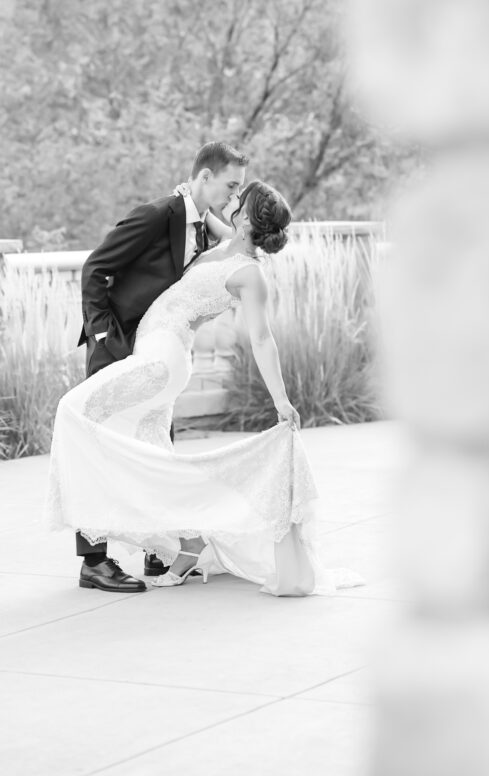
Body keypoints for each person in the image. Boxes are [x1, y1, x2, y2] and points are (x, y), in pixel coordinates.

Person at [47, 181, 360, 596]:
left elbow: (263, 339)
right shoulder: (230, 242)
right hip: (160, 355)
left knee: (75, 410)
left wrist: (281, 400)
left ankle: (100, 547)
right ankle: (189, 541)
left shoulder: (250, 274)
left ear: (248, 217)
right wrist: (187, 194)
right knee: (156, 459)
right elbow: (202, 212)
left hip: (161, 361)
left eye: (239, 199)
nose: (232, 201)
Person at [74, 141, 248, 591]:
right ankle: (94, 562)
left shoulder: (205, 229)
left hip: (158, 353)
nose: (233, 196)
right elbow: (95, 268)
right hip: (119, 345)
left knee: (155, 446)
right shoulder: (156, 215)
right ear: (204, 178)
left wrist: (219, 221)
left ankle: (158, 549)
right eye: (230, 186)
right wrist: (102, 338)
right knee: (104, 446)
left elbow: (236, 249)